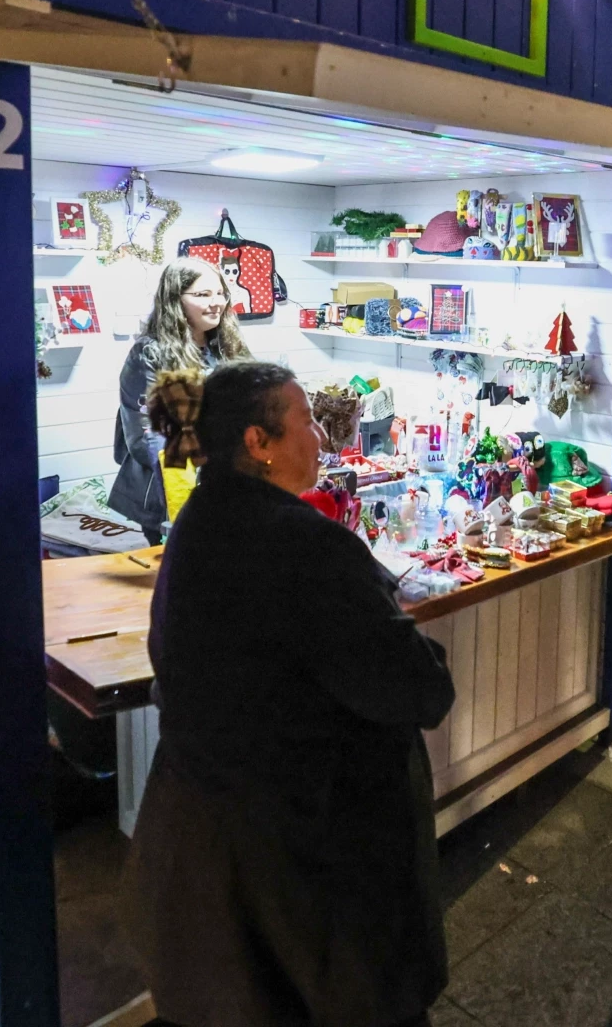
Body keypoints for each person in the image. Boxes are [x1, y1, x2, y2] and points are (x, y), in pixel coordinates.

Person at [122, 362, 456, 1027]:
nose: (321, 437)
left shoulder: (197, 524)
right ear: (259, 443)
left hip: (211, 854)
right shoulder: (304, 545)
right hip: (310, 867)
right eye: (305, 420)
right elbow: (419, 690)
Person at [111, 259, 252, 545]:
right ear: (175, 299)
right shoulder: (150, 352)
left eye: (220, 293)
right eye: (203, 295)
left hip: (224, 484)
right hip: (166, 491)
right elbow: (147, 436)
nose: (216, 302)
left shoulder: (227, 345)